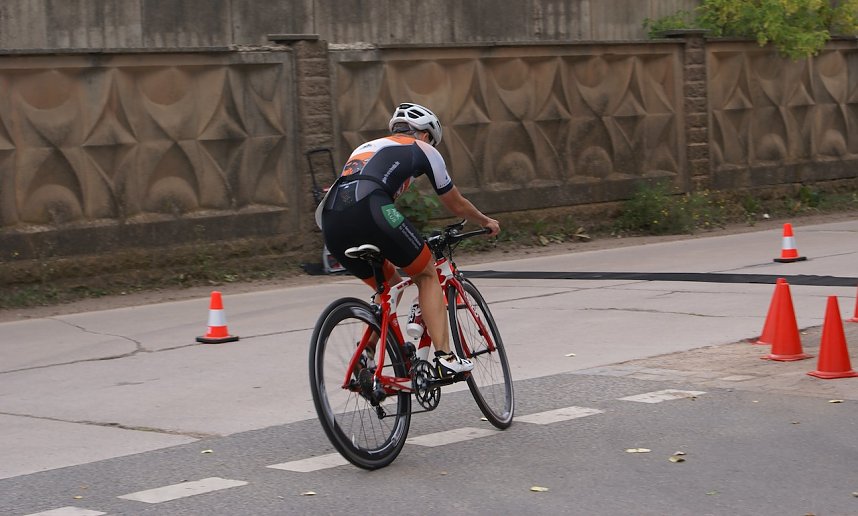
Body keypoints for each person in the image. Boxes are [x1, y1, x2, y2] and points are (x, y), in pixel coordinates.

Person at [318, 102, 500, 376]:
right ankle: (446, 356)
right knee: (426, 274)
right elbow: (456, 203)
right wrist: (485, 221)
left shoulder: (365, 148)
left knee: (390, 285)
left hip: (332, 221)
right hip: (372, 209)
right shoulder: (424, 149)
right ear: (426, 135)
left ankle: (366, 355)